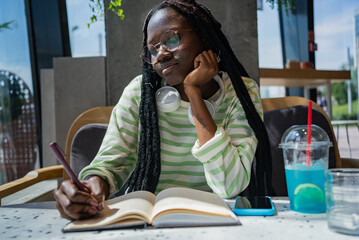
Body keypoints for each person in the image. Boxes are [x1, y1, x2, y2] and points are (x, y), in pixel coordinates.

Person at [54, 0, 272, 220]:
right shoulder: (139, 93)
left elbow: (229, 185)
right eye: (152, 50)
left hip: (218, 220)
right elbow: (111, 163)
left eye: (173, 39)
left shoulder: (241, 92)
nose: (161, 55)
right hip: (148, 219)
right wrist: (91, 187)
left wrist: (193, 92)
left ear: (204, 36)